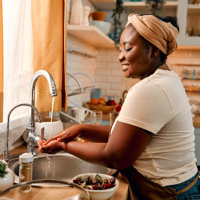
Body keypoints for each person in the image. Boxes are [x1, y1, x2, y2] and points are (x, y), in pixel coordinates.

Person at [38, 14, 200, 199]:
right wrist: (81, 129)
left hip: (168, 193)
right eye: (120, 48)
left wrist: (64, 146)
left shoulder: (151, 88)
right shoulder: (166, 79)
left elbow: (115, 156)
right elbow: (127, 134)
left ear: (153, 50)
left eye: (128, 48)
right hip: (181, 187)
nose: (120, 56)